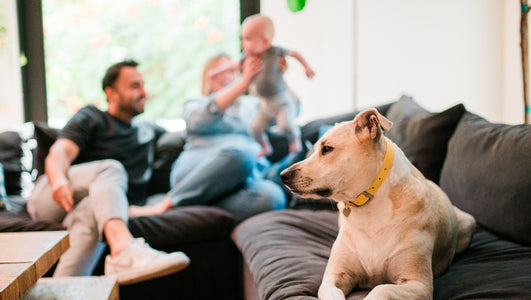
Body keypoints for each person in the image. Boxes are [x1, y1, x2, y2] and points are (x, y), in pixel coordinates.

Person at [27, 60, 190, 284]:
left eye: (143, 85)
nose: (143, 92)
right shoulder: (92, 116)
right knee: (111, 168)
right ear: (110, 93)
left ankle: (61, 292)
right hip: (53, 196)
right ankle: (123, 250)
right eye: (134, 86)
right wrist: (58, 181)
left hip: (91, 207)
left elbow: (197, 135)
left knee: (90, 212)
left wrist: (151, 207)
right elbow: (60, 153)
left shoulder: (147, 131)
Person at [128, 54, 287, 222]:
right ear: (208, 77)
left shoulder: (251, 105)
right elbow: (198, 121)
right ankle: (168, 203)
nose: (228, 76)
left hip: (242, 182)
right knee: (242, 155)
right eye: (221, 71)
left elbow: (288, 112)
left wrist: (276, 77)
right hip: (196, 173)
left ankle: (191, 206)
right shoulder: (197, 103)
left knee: (273, 197)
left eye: (231, 71)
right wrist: (243, 84)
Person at [209, 14, 315, 157]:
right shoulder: (246, 59)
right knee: (255, 129)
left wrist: (306, 68)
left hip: (281, 100)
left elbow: (294, 54)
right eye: (242, 39)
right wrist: (217, 71)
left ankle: (294, 140)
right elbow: (234, 65)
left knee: (286, 126)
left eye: (247, 39)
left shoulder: (274, 52)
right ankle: (265, 147)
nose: (242, 44)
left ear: (265, 42)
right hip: (265, 105)